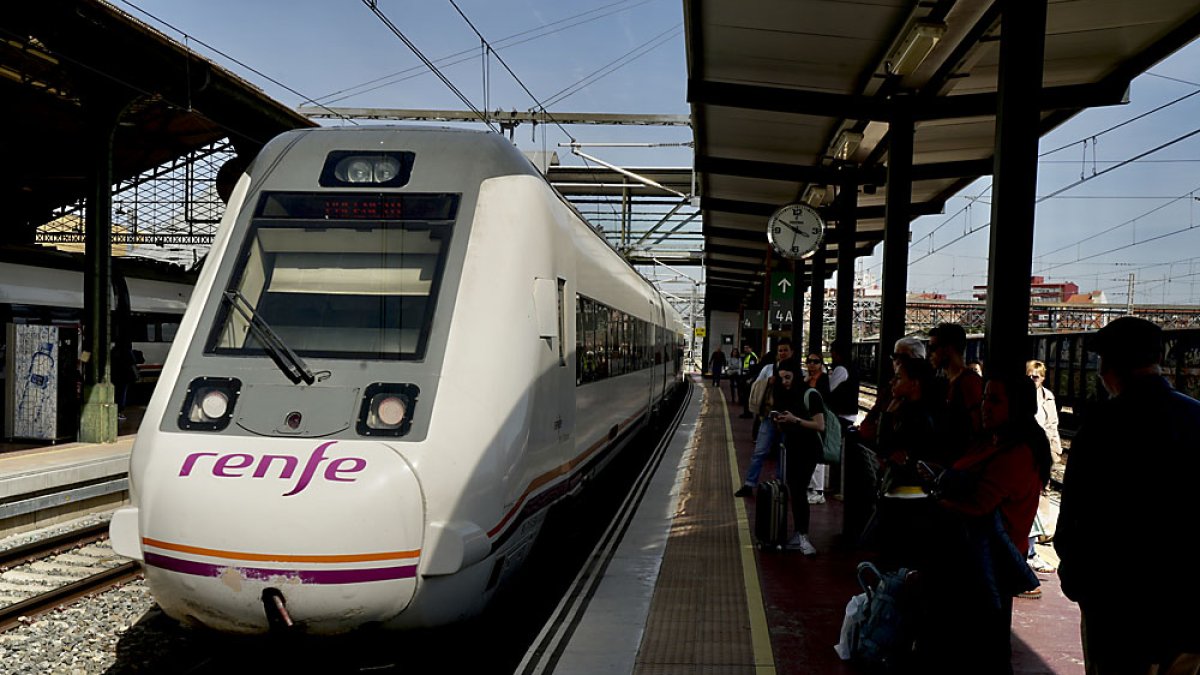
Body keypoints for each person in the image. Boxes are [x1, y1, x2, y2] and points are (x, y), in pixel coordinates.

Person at [1056, 317, 1200, 675]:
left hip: (1118, 608)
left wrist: (1078, 581)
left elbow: (1076, 514)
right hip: (1189, 608)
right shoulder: (1195, 417)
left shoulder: (1104, 425)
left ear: (1109, 368)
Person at [920, 372, 1052, 675]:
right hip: (972, 561)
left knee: (979, 648)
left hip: (985, 566)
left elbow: (979, 506)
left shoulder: (1017, 453)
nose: (984, 406)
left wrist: (935, 501)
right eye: (983, 398)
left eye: (994, 400)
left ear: (1017, 406)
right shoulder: (993, 442)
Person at [769, 359, 825, 556]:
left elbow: (820, 425)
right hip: (793, 447)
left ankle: (803, 536)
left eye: (788, 377)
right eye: (781, 377)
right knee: (796, 490)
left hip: (809, 449)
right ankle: (799, 534)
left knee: (799, 491)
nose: (784, 381)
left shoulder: (810, 395)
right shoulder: (786, 396)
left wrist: (795, 420)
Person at [735, 338, 793, 497]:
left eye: (785, 350)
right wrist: (769, 381)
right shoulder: (769, 368)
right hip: (769, 416)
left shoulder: (799, 372)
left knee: (784, 453)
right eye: (780, 350)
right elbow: (756, 386)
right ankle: (749, 484)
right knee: (760, 451)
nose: (782, 353)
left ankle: (781, 485)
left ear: (792, 352)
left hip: (788, 419)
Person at [1024, 359, 1061, 576]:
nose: (1032, 380)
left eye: (1035, 376)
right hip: (1029, 451)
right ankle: (1030, 549)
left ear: (1043, 378)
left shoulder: (1048, 397)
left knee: (1044, 492)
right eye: (1029, 376)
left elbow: (1052, 424)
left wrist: (1055, 450)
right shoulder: (1022, 396)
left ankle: (1043, 533)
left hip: (1043, 450)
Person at [929, 322, 983, 462]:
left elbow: (979, 428)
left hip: (960, 464)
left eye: (933, 348)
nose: (930, 354)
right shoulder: (945, 382)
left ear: (948, 348)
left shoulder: (969, 382)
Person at [803, 353, 831, 504]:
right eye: (809, 361)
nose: (812, 364)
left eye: (816, 362)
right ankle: (811, 487)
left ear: (821, 364)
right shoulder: (807, 379)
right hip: (809, 421)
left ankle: (818, 490)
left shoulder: (823, 379)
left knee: (818, 454)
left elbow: (824, 398)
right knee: (810, 453)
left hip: (819, 420)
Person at [737, 344, 759, 418]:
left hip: (748, 378)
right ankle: (746, 412)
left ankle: (748, 413)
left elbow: (752, 369)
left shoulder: (752, 357)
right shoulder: (747, 356)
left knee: (747, 396)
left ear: (750, 348)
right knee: (745, 396)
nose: (745, 349)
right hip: (746, 377)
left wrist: (749, 379)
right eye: (744, 348)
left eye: (746, 348)